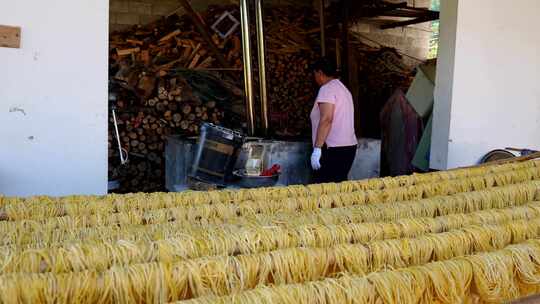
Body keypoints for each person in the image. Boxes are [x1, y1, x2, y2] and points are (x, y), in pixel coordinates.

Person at [309, 57, 357, 183]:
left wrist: (317, 149)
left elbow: (327, 119)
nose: (315, 78)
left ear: (319, 73)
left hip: (333, 149)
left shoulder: (327, 89)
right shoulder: (343, 89)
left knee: (324, 190)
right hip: (348, 147)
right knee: (338, 189)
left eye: (314, 74)